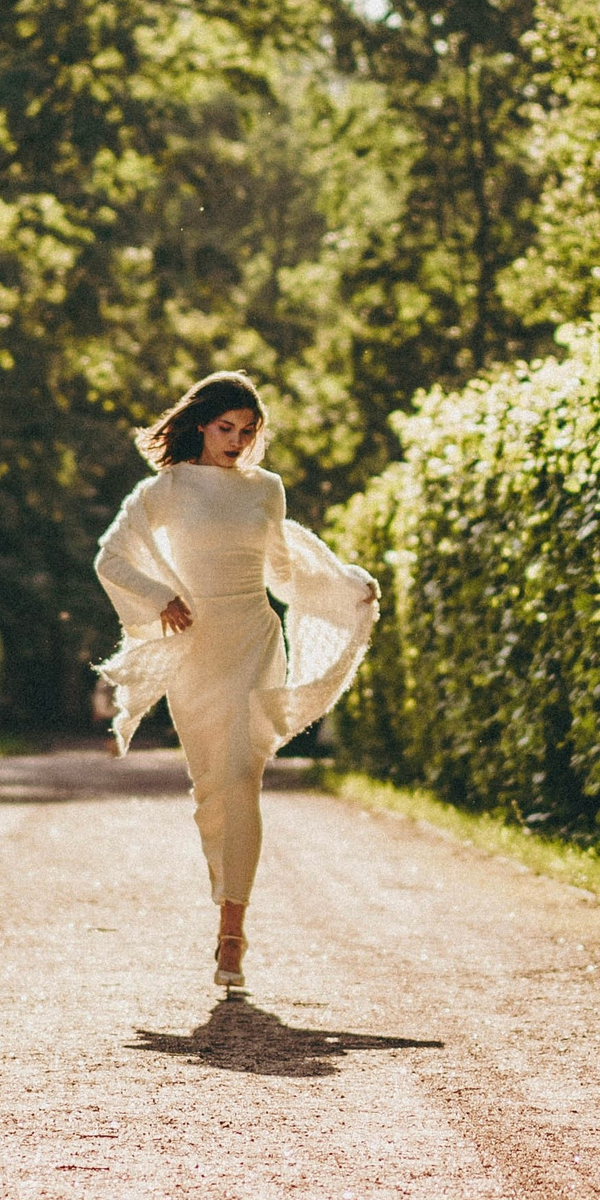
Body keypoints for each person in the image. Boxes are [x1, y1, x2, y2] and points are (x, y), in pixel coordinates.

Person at [93, 372, 380, 992]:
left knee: (239, 772)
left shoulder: (266, 489)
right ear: (201, 424)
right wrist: (158, 594)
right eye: (227, 429)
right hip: (195, 648)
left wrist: (346, 587)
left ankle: (232, 930)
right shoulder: (162, 490)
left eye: (248, 432)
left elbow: (283, 573)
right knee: (209, 788)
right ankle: (224, 899)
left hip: (253, 638)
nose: (238, 441)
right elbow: (110, 558)